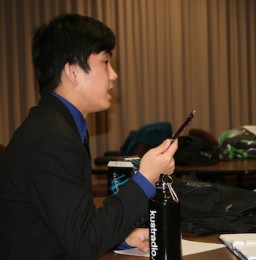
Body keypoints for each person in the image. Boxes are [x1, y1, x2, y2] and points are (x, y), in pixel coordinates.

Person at [0, 13, 178, 259]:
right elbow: (84, 244)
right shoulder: (54, 138)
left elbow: (69, 225)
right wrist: (146, 177)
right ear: (72, 72)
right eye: (105, 61)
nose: (113, 74)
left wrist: (122, 236)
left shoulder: (53, 124)